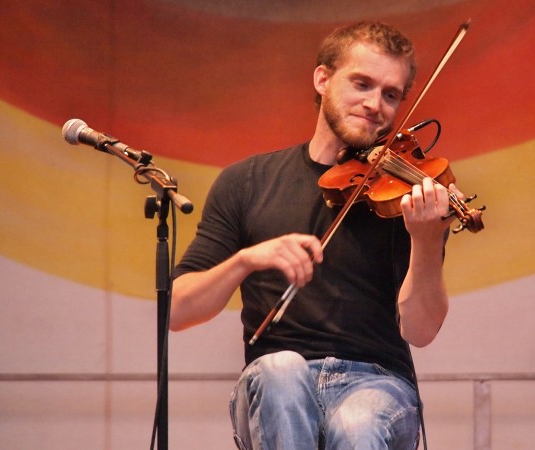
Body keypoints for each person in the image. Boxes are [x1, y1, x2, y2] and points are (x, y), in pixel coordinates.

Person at [170, 21, 458, 450]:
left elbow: (420, 330)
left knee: (357, 423)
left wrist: (427, 240)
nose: (375, 104)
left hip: (378, 383)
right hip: (276, 383)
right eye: (361, 83)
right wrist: (247, 259)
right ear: (322, 79)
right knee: (279, 370)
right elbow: (176, 311)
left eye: (391, 94)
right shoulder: (246, 182)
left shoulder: (406, 196)